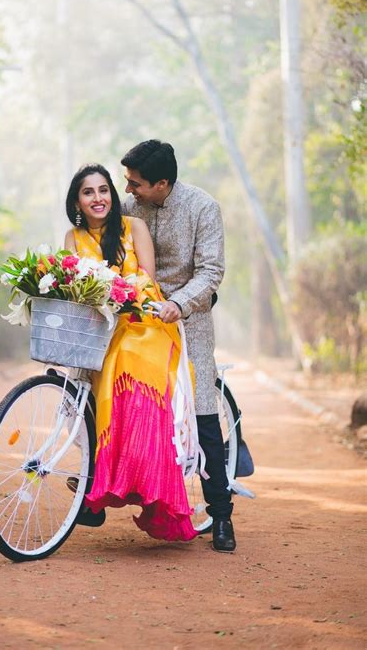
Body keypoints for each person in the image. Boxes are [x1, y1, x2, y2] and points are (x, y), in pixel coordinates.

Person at [64, 163, 198, 542]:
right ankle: (108, 479)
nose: (98, 198)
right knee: (99, 366)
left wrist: (122, 290)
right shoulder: (72, 238)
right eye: (88, 192)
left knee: (130, 365)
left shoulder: (133, 227)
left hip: (145, 322)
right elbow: (75, 294)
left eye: (104, 190)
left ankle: (149, 484)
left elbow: (149, 280)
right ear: (77, 199)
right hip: (101, 327)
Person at [121, 139, 236, 552]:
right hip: (138, 318)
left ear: (162, 183)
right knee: (118, 391)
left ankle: (221, 516)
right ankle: (95, 491)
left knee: (202, 411)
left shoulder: (203, 208)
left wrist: (178, 303)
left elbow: (211, 271)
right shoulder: (128, 207)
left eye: (135, 183)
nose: (128, 189)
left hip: (190, 319)